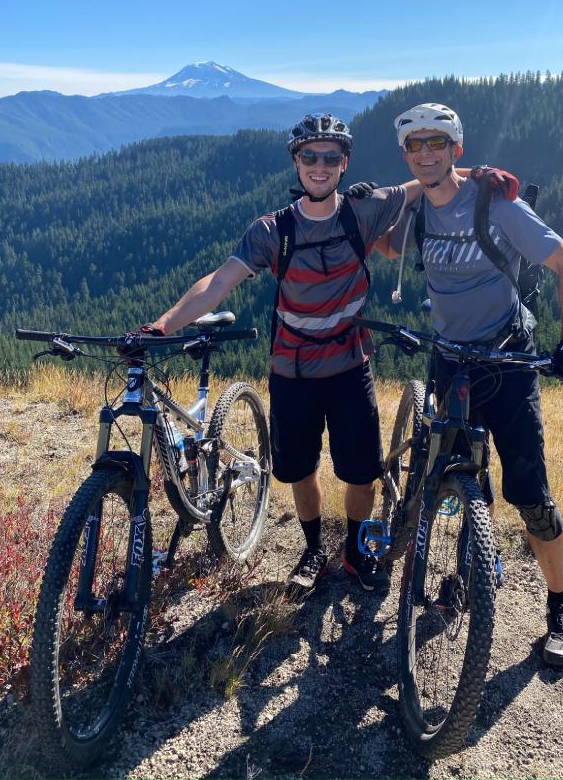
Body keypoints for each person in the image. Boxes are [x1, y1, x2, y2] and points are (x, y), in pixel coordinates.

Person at [145, 113, 422, 597]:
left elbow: (425, 183)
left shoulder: (364, 211)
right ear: (296, 162)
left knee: (362, 473)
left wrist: (480, 177)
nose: (320, 166)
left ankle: (355, 551)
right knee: (300, 470)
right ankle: (314, 550)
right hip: (293, 373)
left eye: (330, 157)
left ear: (345, 164)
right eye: (310, 156)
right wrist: (163, 325)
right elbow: (218, 282)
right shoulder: (273, 230)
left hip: (351, 366)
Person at [380, 102, 563, 667]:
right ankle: (474, 552)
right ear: (406, 154)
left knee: (532, 495)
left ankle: (560, 607)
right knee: (455, 473)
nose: (426, 153)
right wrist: (363, 206)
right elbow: (387, 246)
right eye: (415, 145)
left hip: (507, 359)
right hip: (450, 360)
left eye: (437, 143)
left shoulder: (497, 204)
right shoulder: (417, 210)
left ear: (457, 148)